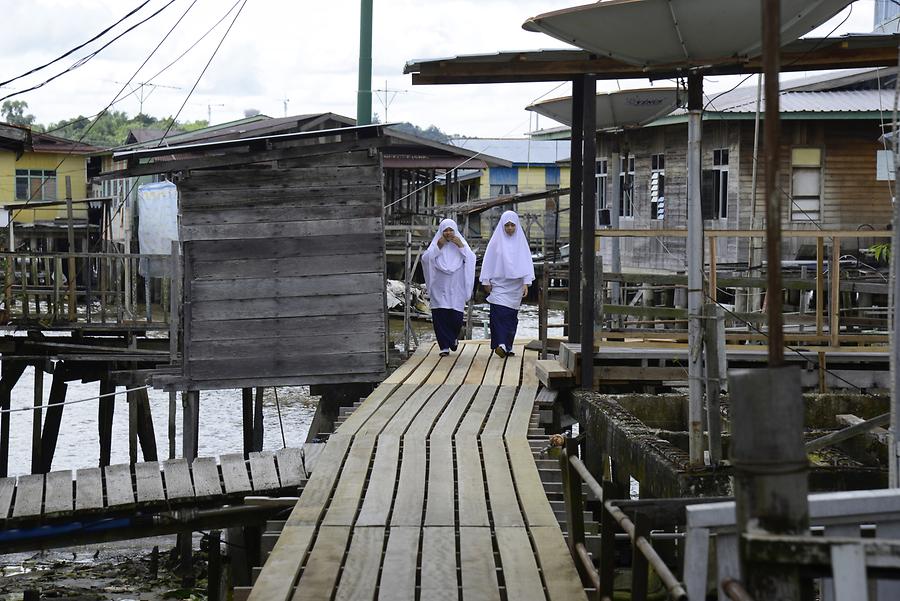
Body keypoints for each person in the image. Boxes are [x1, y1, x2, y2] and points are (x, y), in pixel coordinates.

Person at [480, 210, 535, 358]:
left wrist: (526, 283)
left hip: (515, 287)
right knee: (498, 315)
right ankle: (501, 344)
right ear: (502, 226)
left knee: (511, 317)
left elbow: (526, 263)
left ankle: (508, 346)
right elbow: (489, 261)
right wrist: (486, 280)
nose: (510, 228)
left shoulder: (521, 243)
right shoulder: (496, 242)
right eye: (507, 225)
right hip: (499, 285)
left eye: (512, 225)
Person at [421, 218, 476, 357]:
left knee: (456, 317)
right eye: (445, 230)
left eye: (451, 230)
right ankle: (444, 347)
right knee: (440, 316)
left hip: (456, 287)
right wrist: (438, 247)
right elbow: (426, 259)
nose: (448, 233)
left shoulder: (461, 244)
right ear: (441, 231)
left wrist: (461, 247)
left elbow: (471, 258)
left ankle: (453, 338)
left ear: (455, 231)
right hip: (439, 286)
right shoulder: (436, 244)